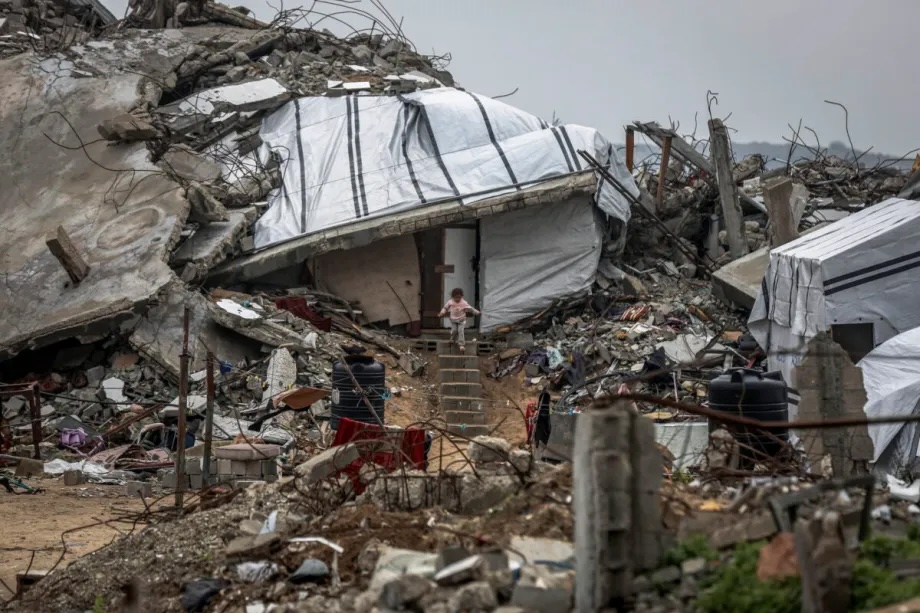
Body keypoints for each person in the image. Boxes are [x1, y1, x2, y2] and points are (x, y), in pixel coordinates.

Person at [438, 288, 480, 352]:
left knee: (460, 331)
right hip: (453, 319)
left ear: (461, 297)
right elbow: (445, 308)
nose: (457, 299)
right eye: (456, 298)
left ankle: (461, 344)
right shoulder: (450, 302)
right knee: (454, 330)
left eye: (459, 297)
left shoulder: (463, 303)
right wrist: (441, 313)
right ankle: (452, 339)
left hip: (461, 320)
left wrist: (477, 312)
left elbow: (470, 309)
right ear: (453, 297)